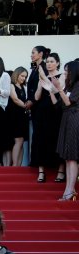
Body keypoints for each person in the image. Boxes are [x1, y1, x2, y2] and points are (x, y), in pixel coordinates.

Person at [31, 52, 65, 183]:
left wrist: (44, 77)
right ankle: (41, 172)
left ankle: (61, 171)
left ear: (57, 63)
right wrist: (40, 84)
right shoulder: (42, 78)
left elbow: (57, 91)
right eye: (47, 62)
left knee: (57, 138)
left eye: (51, 61)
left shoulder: (61, 75)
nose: (49, 64)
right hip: (42, 111)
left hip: (56, 110)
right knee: (40, 138)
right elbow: (36, 97)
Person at [53, 60, 79, 201]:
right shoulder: (70, 85)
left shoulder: (78, 85)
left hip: (75, 121)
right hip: (68, 120)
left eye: (67, 71)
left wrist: (59, 89)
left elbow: (69, 102)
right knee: (68, 157)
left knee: (72, 157)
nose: (65, 73)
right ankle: (69, 190)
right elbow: (62, 105)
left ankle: (69, 191)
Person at [6, 66, 30, 167]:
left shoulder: (23, 87)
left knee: (22, 141)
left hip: (22, 116)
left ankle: (18, 165)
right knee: (18, 140)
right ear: (17, 74)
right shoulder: (11, 85)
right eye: (22, 76)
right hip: (15, 116)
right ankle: (15, 165)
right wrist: (26, 106)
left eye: (25, 77)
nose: (23, 78)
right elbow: (15, 99)